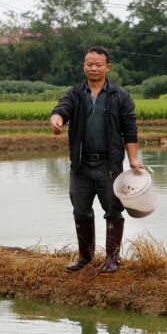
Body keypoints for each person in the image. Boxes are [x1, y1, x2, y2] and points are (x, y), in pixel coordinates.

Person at [49, 46, 144, 273]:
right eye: (89, 64)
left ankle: (112, 258)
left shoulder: (120, 96)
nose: (93, 68)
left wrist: (132, 159)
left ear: (107, 67)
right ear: (84, 66)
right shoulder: (75, 94)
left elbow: (130, 129)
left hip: (109, 165)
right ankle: (85, 256)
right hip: (81, 165)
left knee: (113, 208)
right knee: (80, 210)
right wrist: (57, 118)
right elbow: (62, 108)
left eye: (98, 65)